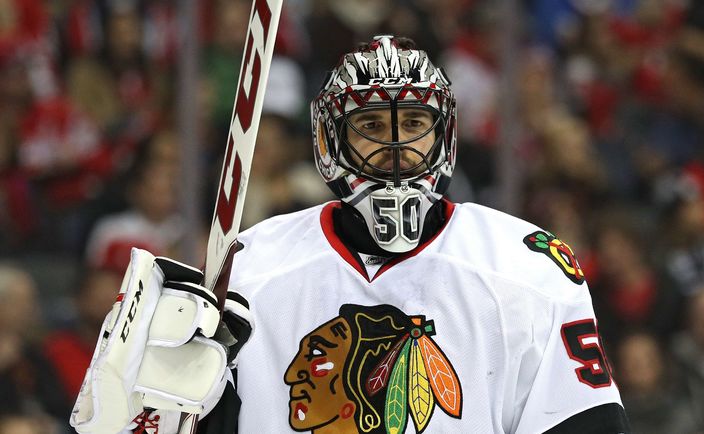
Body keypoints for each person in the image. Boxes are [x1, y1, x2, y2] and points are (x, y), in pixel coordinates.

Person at [70, 35, 629, 434]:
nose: (395, 146)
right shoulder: (250, 270)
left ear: (445, 136)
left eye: (414, 124)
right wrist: (164, 406)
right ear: (330, 141)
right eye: (370, 125)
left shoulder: (528, 269)